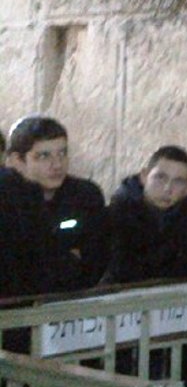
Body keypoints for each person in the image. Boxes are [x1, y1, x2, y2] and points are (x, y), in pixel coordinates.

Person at [0, 115, 107, 300]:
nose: (57, 165)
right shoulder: (7, 201)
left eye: (62, 153)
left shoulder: (85, 196)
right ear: (17, 160)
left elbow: (94, 262)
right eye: (44, 156)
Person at [103, 144, 187, 285]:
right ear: (144, 176)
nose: (168, 188)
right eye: (160, 177)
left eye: (178, 181)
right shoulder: (114, 218)